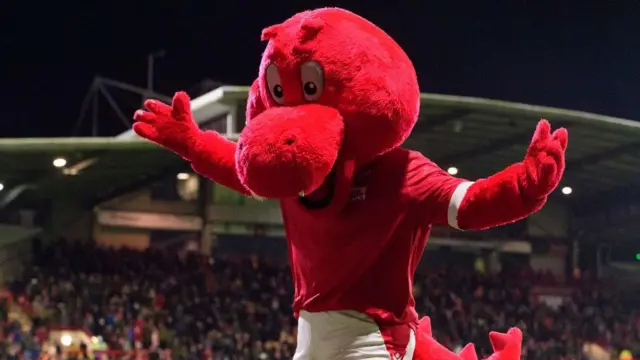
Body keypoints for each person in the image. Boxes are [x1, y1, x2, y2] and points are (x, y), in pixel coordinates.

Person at [133, 7, 567, 360]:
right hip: (312, 339)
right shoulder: (290, 168)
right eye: (282, 93)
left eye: (310, 86)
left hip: (374, 343)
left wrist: (528, 184)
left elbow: (470, 203)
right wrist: (191, 141)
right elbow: (237, 166)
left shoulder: (403, 172)